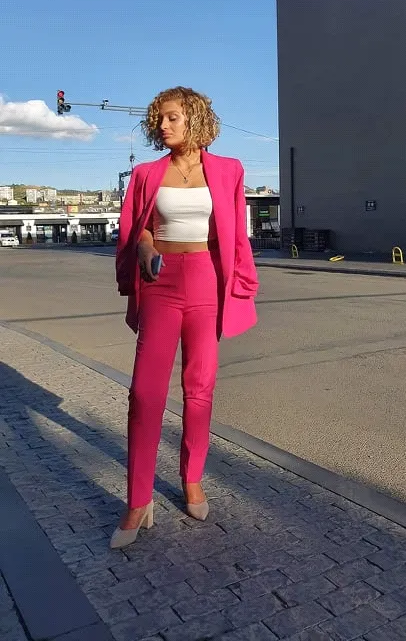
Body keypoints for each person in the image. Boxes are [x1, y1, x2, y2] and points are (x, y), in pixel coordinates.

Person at [111, 86, 258, 548]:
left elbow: (235, 234)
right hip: (160, 282)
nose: (162, 126)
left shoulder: (229, 170)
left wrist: (242, 281)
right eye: (159, 119)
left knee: (199, 387)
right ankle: (138, 500)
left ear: (193, 117)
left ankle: (192, 479)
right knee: (145, 392)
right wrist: (145, 248)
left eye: (171, 117)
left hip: (206, 279)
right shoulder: (146, 174)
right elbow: (137, 228)